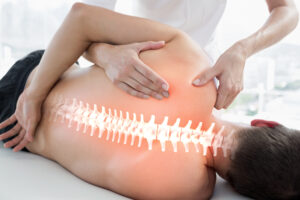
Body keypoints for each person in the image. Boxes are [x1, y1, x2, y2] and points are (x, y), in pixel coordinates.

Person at [0, 3, 300, 199]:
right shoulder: (190, 190)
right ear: (240, 189)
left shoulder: (192, 60)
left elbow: (81, 17)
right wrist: (103, 54)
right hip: (17, 131)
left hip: (39, 75)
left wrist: (34, 95)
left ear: (265, 122)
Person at [82, 0, 298, 109]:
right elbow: (80, 27)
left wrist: (242, 50)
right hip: (137, 76)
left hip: (202, 80)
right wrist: (107, 56)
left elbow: (286, 9)